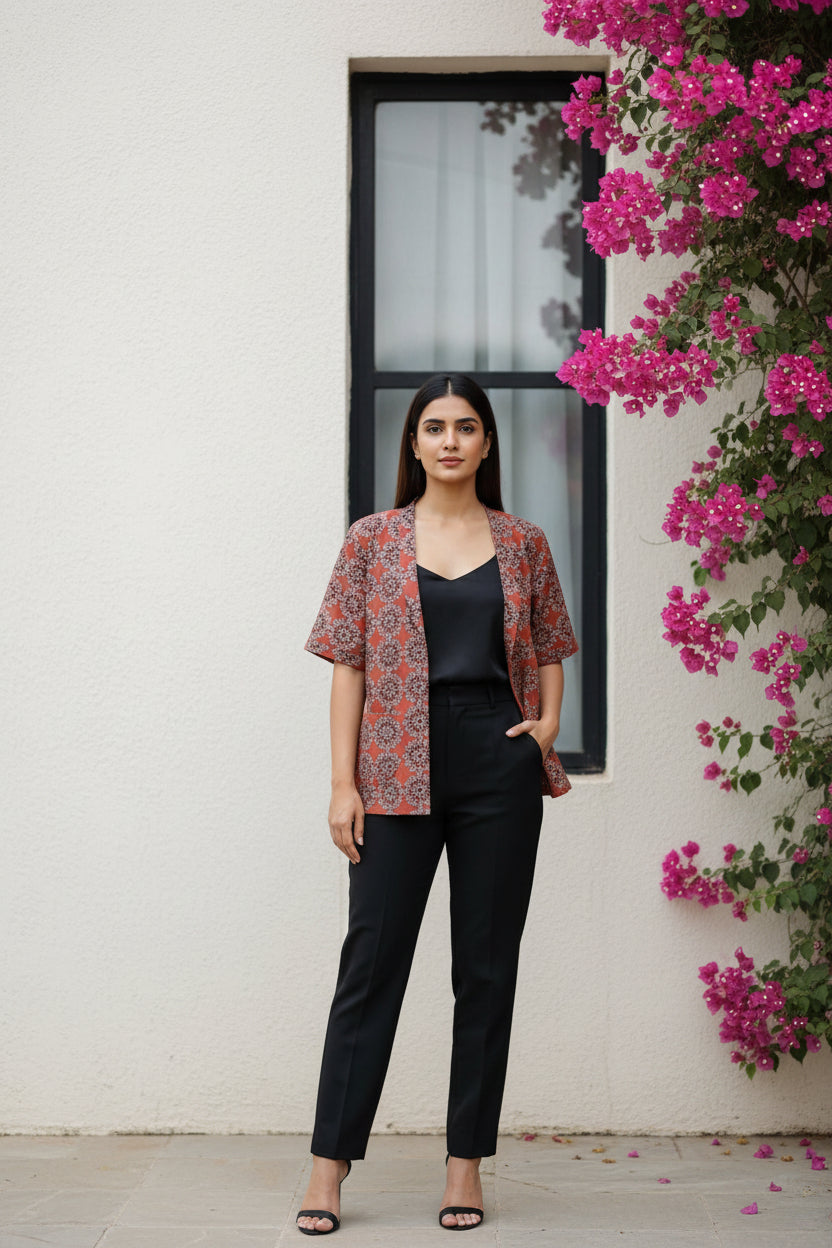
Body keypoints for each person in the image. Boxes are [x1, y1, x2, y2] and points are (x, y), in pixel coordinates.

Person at [296, 373, 578, 1235]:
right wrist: (343, 784)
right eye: (433, 427)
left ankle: (465, 1168)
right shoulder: (372, 541)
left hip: (495, 755)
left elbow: (553, 642)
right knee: (371, 964)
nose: (449, 440)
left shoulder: (523, 541)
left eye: (465, 426)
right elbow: (348, 664)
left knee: (485, 970)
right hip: (391, 764)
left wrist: (544, 726)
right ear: (413, 444)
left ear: (487, 443)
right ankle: (327, 1169)